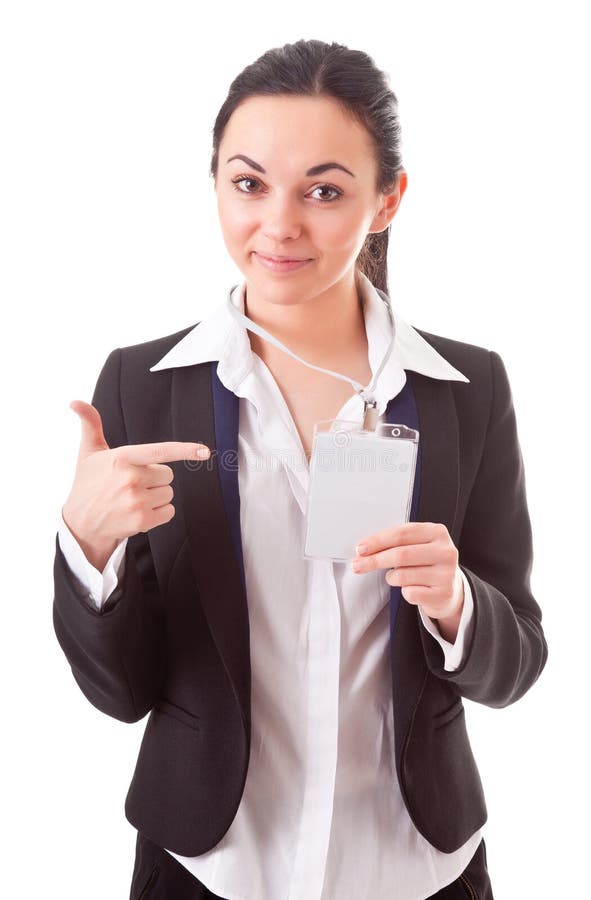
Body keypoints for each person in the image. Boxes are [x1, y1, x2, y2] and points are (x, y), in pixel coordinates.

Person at [52, 38, 548, 900]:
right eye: (248, 184)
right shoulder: (138, 385)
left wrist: (456, 600)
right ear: (215, 184)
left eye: (323, 190)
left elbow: (516, 665)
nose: (278, 224)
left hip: (417, 868)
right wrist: (88, 551)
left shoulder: (468, 391)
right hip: (209, 866)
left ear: (387, 200)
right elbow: (120, 693)